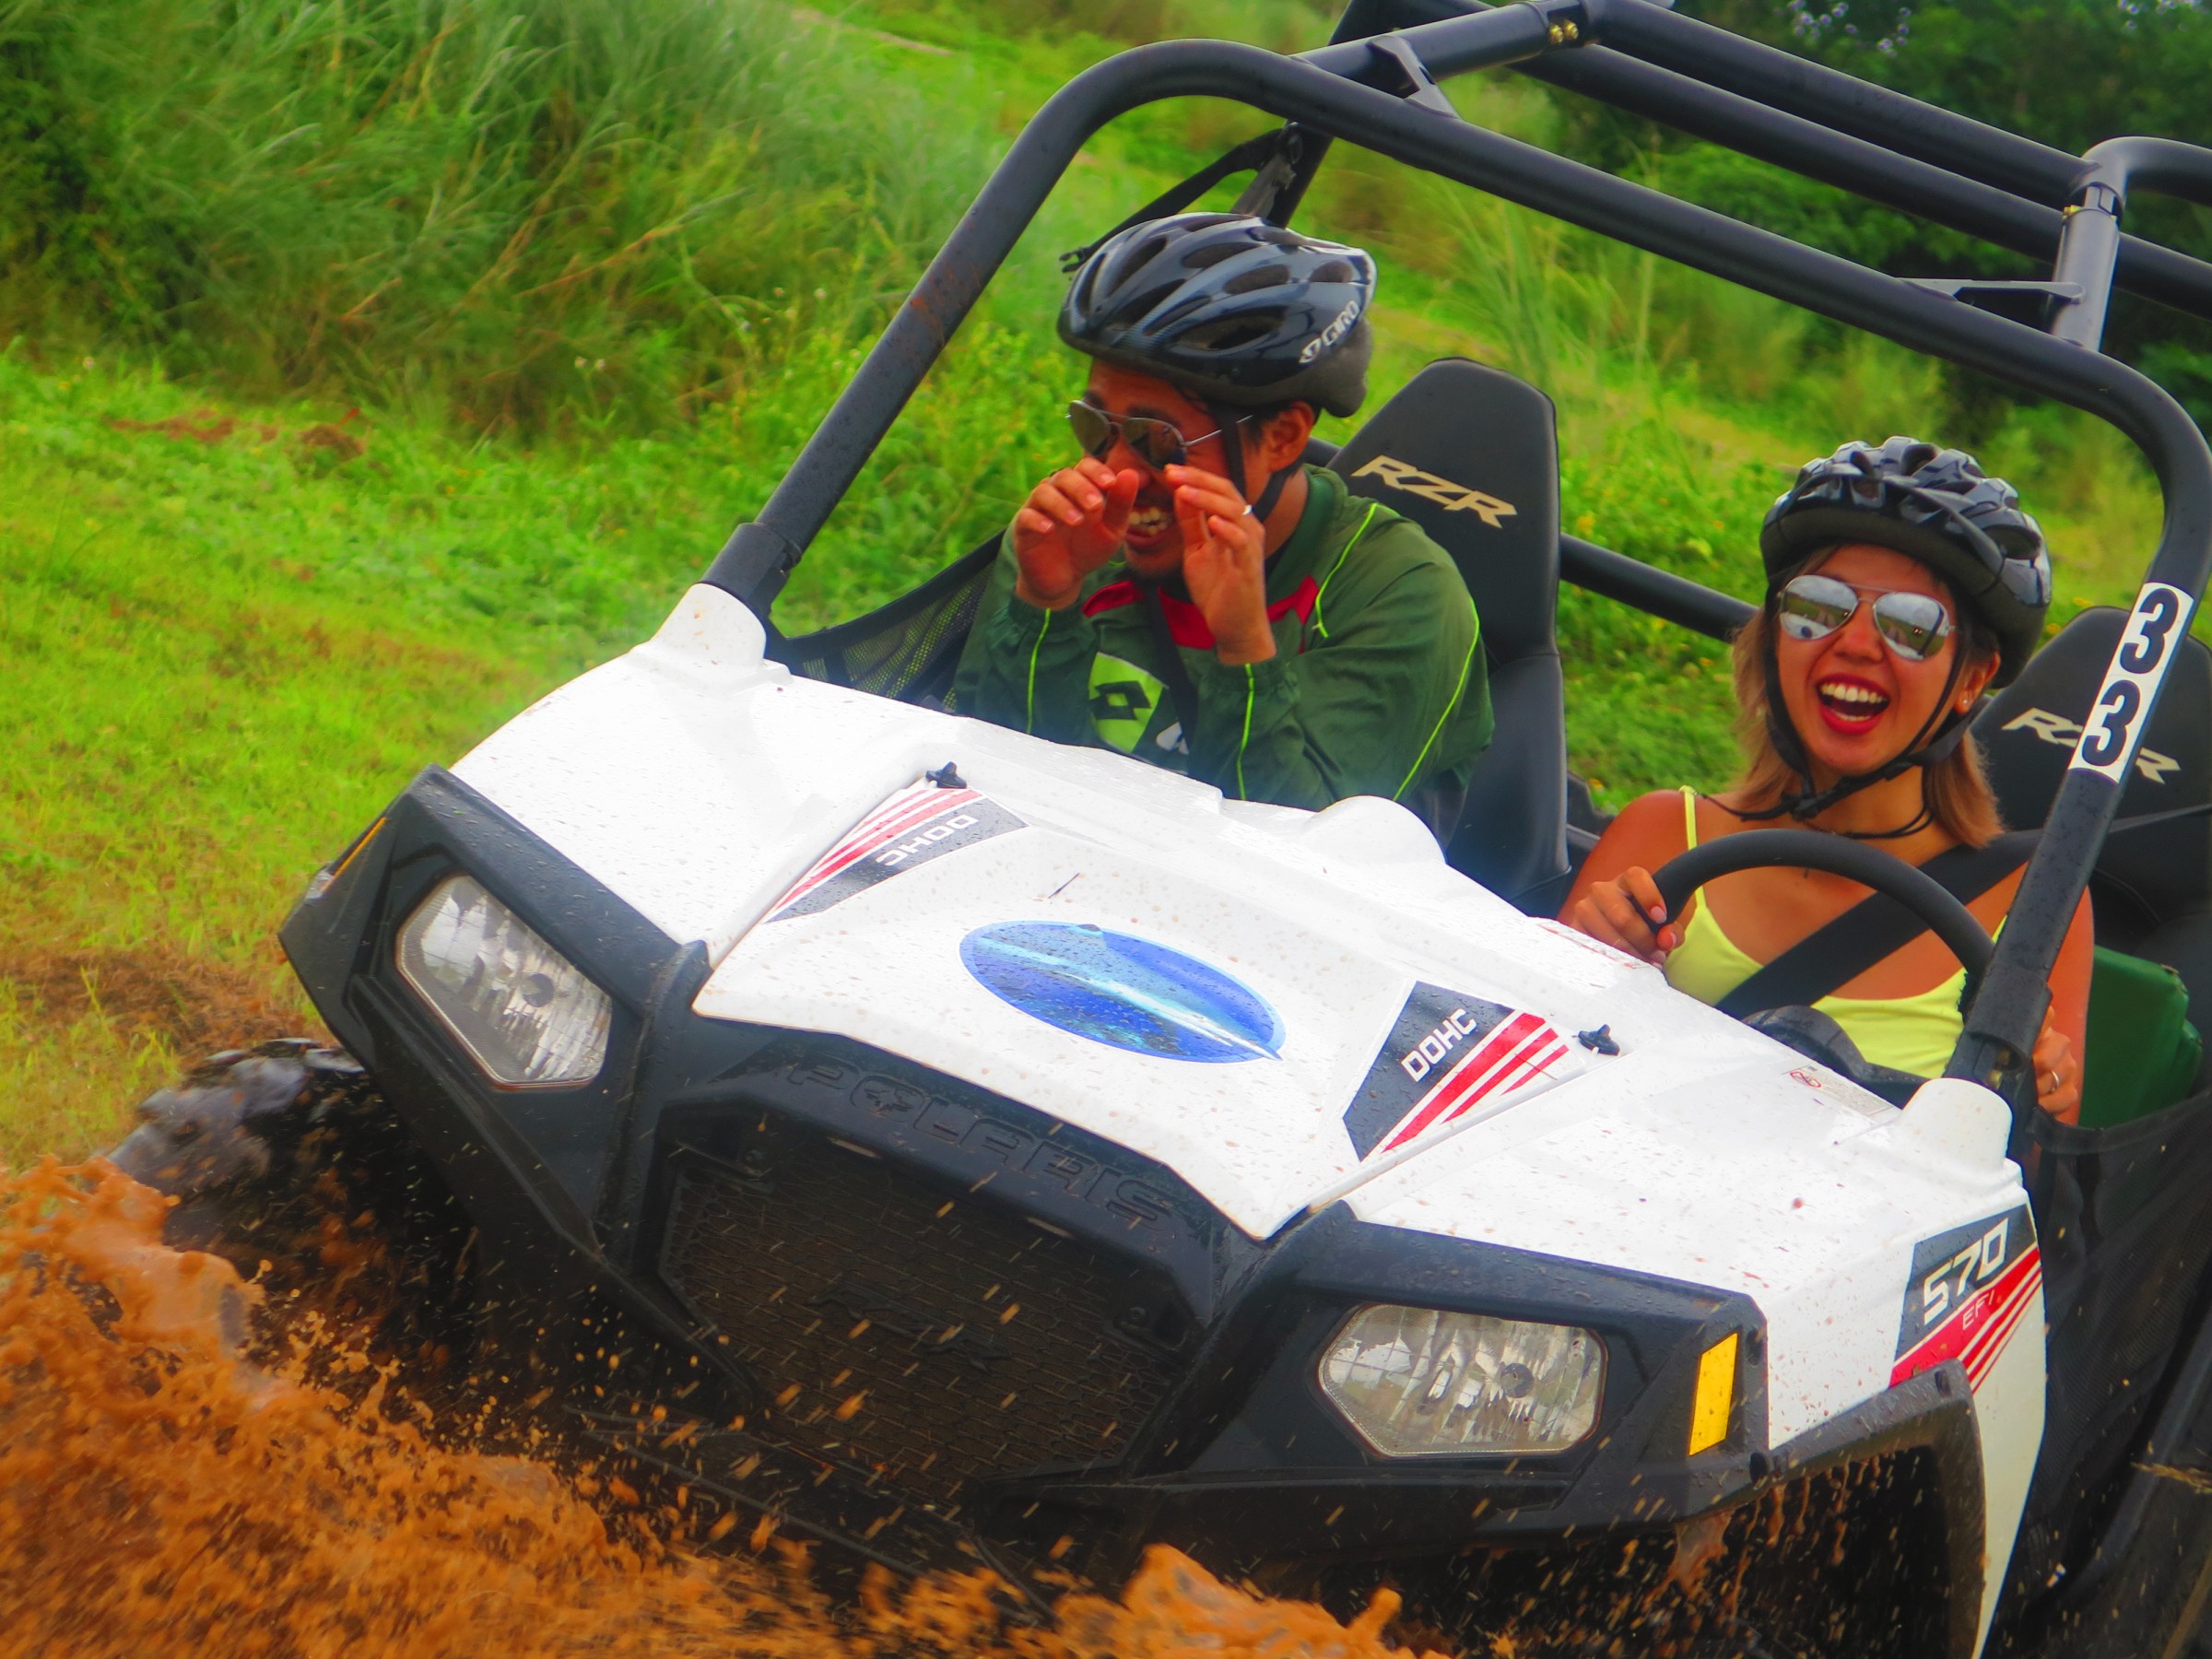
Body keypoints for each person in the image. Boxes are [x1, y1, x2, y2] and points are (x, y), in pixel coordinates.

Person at [1561, 437, 2090, 1120]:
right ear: (1774, 635)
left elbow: (2029, 1174)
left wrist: (2044, 1100)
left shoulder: (2030, 904)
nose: (1857, 643)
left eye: (1912, 626)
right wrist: (1585, 956)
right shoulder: (1665, 834)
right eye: (1817, 605)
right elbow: (1538, 1064)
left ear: (1972, 678)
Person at [952, 213, 1490, 828]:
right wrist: (1044, 605)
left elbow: (1299, 857)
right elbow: (983, 790)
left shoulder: (1402, 594)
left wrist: (1244, 648)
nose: (1118, 472)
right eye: (1095, 426)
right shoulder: (1073, 538)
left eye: (1159, 439)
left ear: (1283, 438)